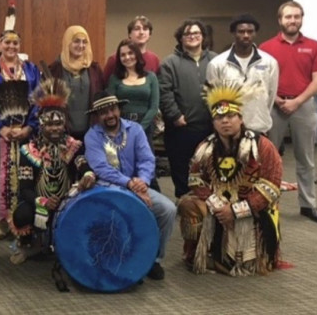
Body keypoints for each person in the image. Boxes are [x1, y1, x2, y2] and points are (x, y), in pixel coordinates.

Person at [178, 81, 282, 276]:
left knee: (254, 265)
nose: (225, 121)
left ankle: (243, 257)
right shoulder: (205, 147)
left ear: (241, 118)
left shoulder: (262, 146)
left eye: (230, 116)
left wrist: (235, 211)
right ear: (213, 122)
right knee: (187, 205)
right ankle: (200, 254)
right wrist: (218, 206)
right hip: (217, 205)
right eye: (219, 117)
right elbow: (195, 179)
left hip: (252, 209)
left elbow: (271, 185)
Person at [84, 91, 176, 280]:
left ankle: (154, 259)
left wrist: (142, 182)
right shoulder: (92, 136)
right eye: (103, 113)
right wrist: (129, 183)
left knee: (168, 209)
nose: (109, 115)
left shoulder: (135, 130)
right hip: (106, 187)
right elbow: (101, 168)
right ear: (97, 116)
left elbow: (147, 159)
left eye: (112, 109)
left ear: (119, 109)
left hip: (137, 184)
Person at [9, 74, 95, 264]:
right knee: (21, 214)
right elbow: (25, 189)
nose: (55, 128)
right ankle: (27, 245)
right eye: (50, 124)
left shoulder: (73, 145)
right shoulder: (28, 150)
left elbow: (80, 162)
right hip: (39, 201)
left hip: (68, 199)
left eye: (58, 123)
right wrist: (44, 201)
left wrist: (88, 174)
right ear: (41, 125)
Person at [259, 1, 317, 224]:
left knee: (305, 158)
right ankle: (266, 203)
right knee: (269, 158)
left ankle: (308, 205)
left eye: (296, 16)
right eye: (288, 17)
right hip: (274, 106)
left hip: (303, 105)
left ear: (301, 18)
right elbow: (261, 81)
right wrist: (278, 100)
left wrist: (296, 102)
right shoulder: (266, 48)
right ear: (280, 20)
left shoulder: (314, 46)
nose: (292, 20)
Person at [0, 29, 40, 239]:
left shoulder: (31, 70)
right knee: (1, 176)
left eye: (15, 43)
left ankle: (23, 219)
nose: (11, 47)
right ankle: (0, 221)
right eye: (7, 43)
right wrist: (0, 128)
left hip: (25, 132)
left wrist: (29, 127)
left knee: (25, 175)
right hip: (0, 133)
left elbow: (39, 99)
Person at [159, 19, 217, 198]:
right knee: (181, 167)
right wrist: (175, 115)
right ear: (181, 38)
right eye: (188, 33)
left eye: (196, 33)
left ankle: (207, 200)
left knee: (208, 167)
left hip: (210, 127)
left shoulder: (215, 60)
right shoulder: (169, 63)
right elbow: (164, 92)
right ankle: (184, 202)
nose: (192, 36)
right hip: (181, 127)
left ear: (203, 37)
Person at [206, 14, 279, 134]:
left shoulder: (269, 62)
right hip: (229, 129)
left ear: (255, 33)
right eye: (241, 31)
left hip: (259, 126)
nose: (246, 35)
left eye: (250, 31)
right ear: (233, 33)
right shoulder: (217, 64)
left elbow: (270, 96)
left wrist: (260, 115)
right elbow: (212, 100)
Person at [106, 39, 160, 190]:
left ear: (137, 55)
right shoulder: (115, 79)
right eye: (122, 55)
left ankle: (149, 199)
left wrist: (139, 129)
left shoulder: (151, 77)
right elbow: (111, 106)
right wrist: (123, 127)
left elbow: (154, 106)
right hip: (120, 129)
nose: (127, 57)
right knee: (123, 165)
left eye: (130, 53)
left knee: (146, 167)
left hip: (145, 128)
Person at [48, 25, 104, 140]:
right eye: (76, 41)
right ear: (67, 42)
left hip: (92, 134)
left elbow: (101, 98)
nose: (81, 45)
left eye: (84, 42)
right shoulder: (54, 70)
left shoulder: (94, 69)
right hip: (62, 135)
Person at [103, 15, 161, 81]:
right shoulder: (115, 59)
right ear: (129, 34)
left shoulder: (154, 59)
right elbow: (105, 85)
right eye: (137, 29)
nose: (141, 32)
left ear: (149, 34)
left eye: (145, 29)